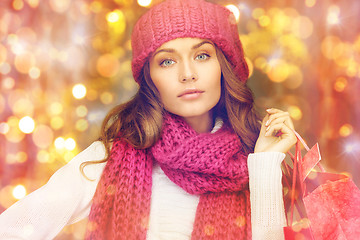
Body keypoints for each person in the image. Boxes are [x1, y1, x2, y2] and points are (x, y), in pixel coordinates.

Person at [0, 0, 297, 239]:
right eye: (167, 61)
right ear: (150, 78)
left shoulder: (254, 161)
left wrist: (264, 165)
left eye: (202, 56)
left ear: (225, 65)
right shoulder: (112, 156)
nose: (187, 73)